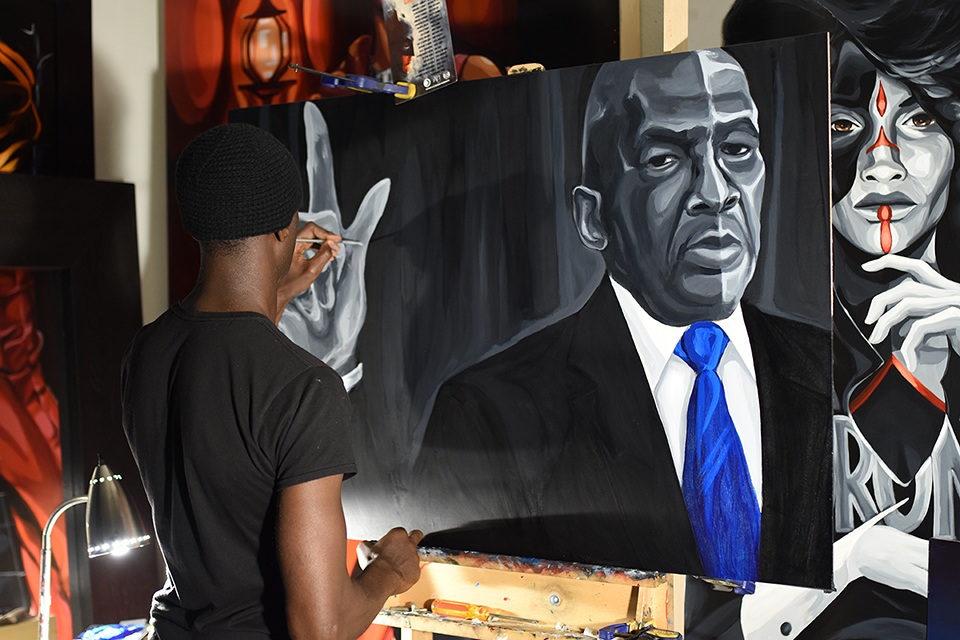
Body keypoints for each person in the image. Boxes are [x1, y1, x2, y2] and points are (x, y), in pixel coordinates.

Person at [412, 50, 832, 587]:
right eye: (664, 159)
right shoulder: (485, 417)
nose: (716, 193)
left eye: (736, 150)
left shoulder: (828, 371)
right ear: (593, 217)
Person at [121, 123, 422, 639]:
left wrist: (277, 295)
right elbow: (320, 629)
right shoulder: (307, 389)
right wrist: (387, 573)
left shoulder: (146, 351)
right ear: (286, 229)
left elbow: (226, 372)